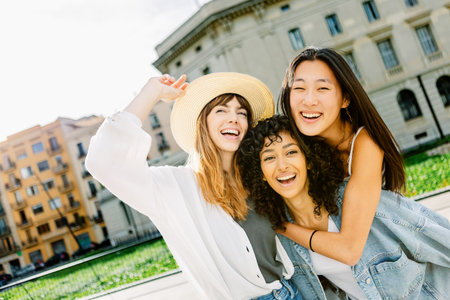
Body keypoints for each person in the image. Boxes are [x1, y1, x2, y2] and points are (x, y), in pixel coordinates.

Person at [85, 72, 302, 300]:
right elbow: (104, 162)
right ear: (203, 123)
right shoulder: (176, 188)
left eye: (242, 112)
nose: (234, 118)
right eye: (221, 110)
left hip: (293, 291)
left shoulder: (261, 177)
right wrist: (152, 91)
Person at [239, 115, 450, 299]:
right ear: (261, 174)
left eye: (291, 152)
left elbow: (438, 238)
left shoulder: (358, 199)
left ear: (308, 160)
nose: (282, 165)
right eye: (269, 158)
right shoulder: (283, 240)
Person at [278, 46, 406, 266]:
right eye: (299, 88)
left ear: (345, 99)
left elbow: (350, 249)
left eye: (322, 89)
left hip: (401, 267)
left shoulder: (365, 142)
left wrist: (281, 225)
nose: (309, 100)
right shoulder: (294, 147)